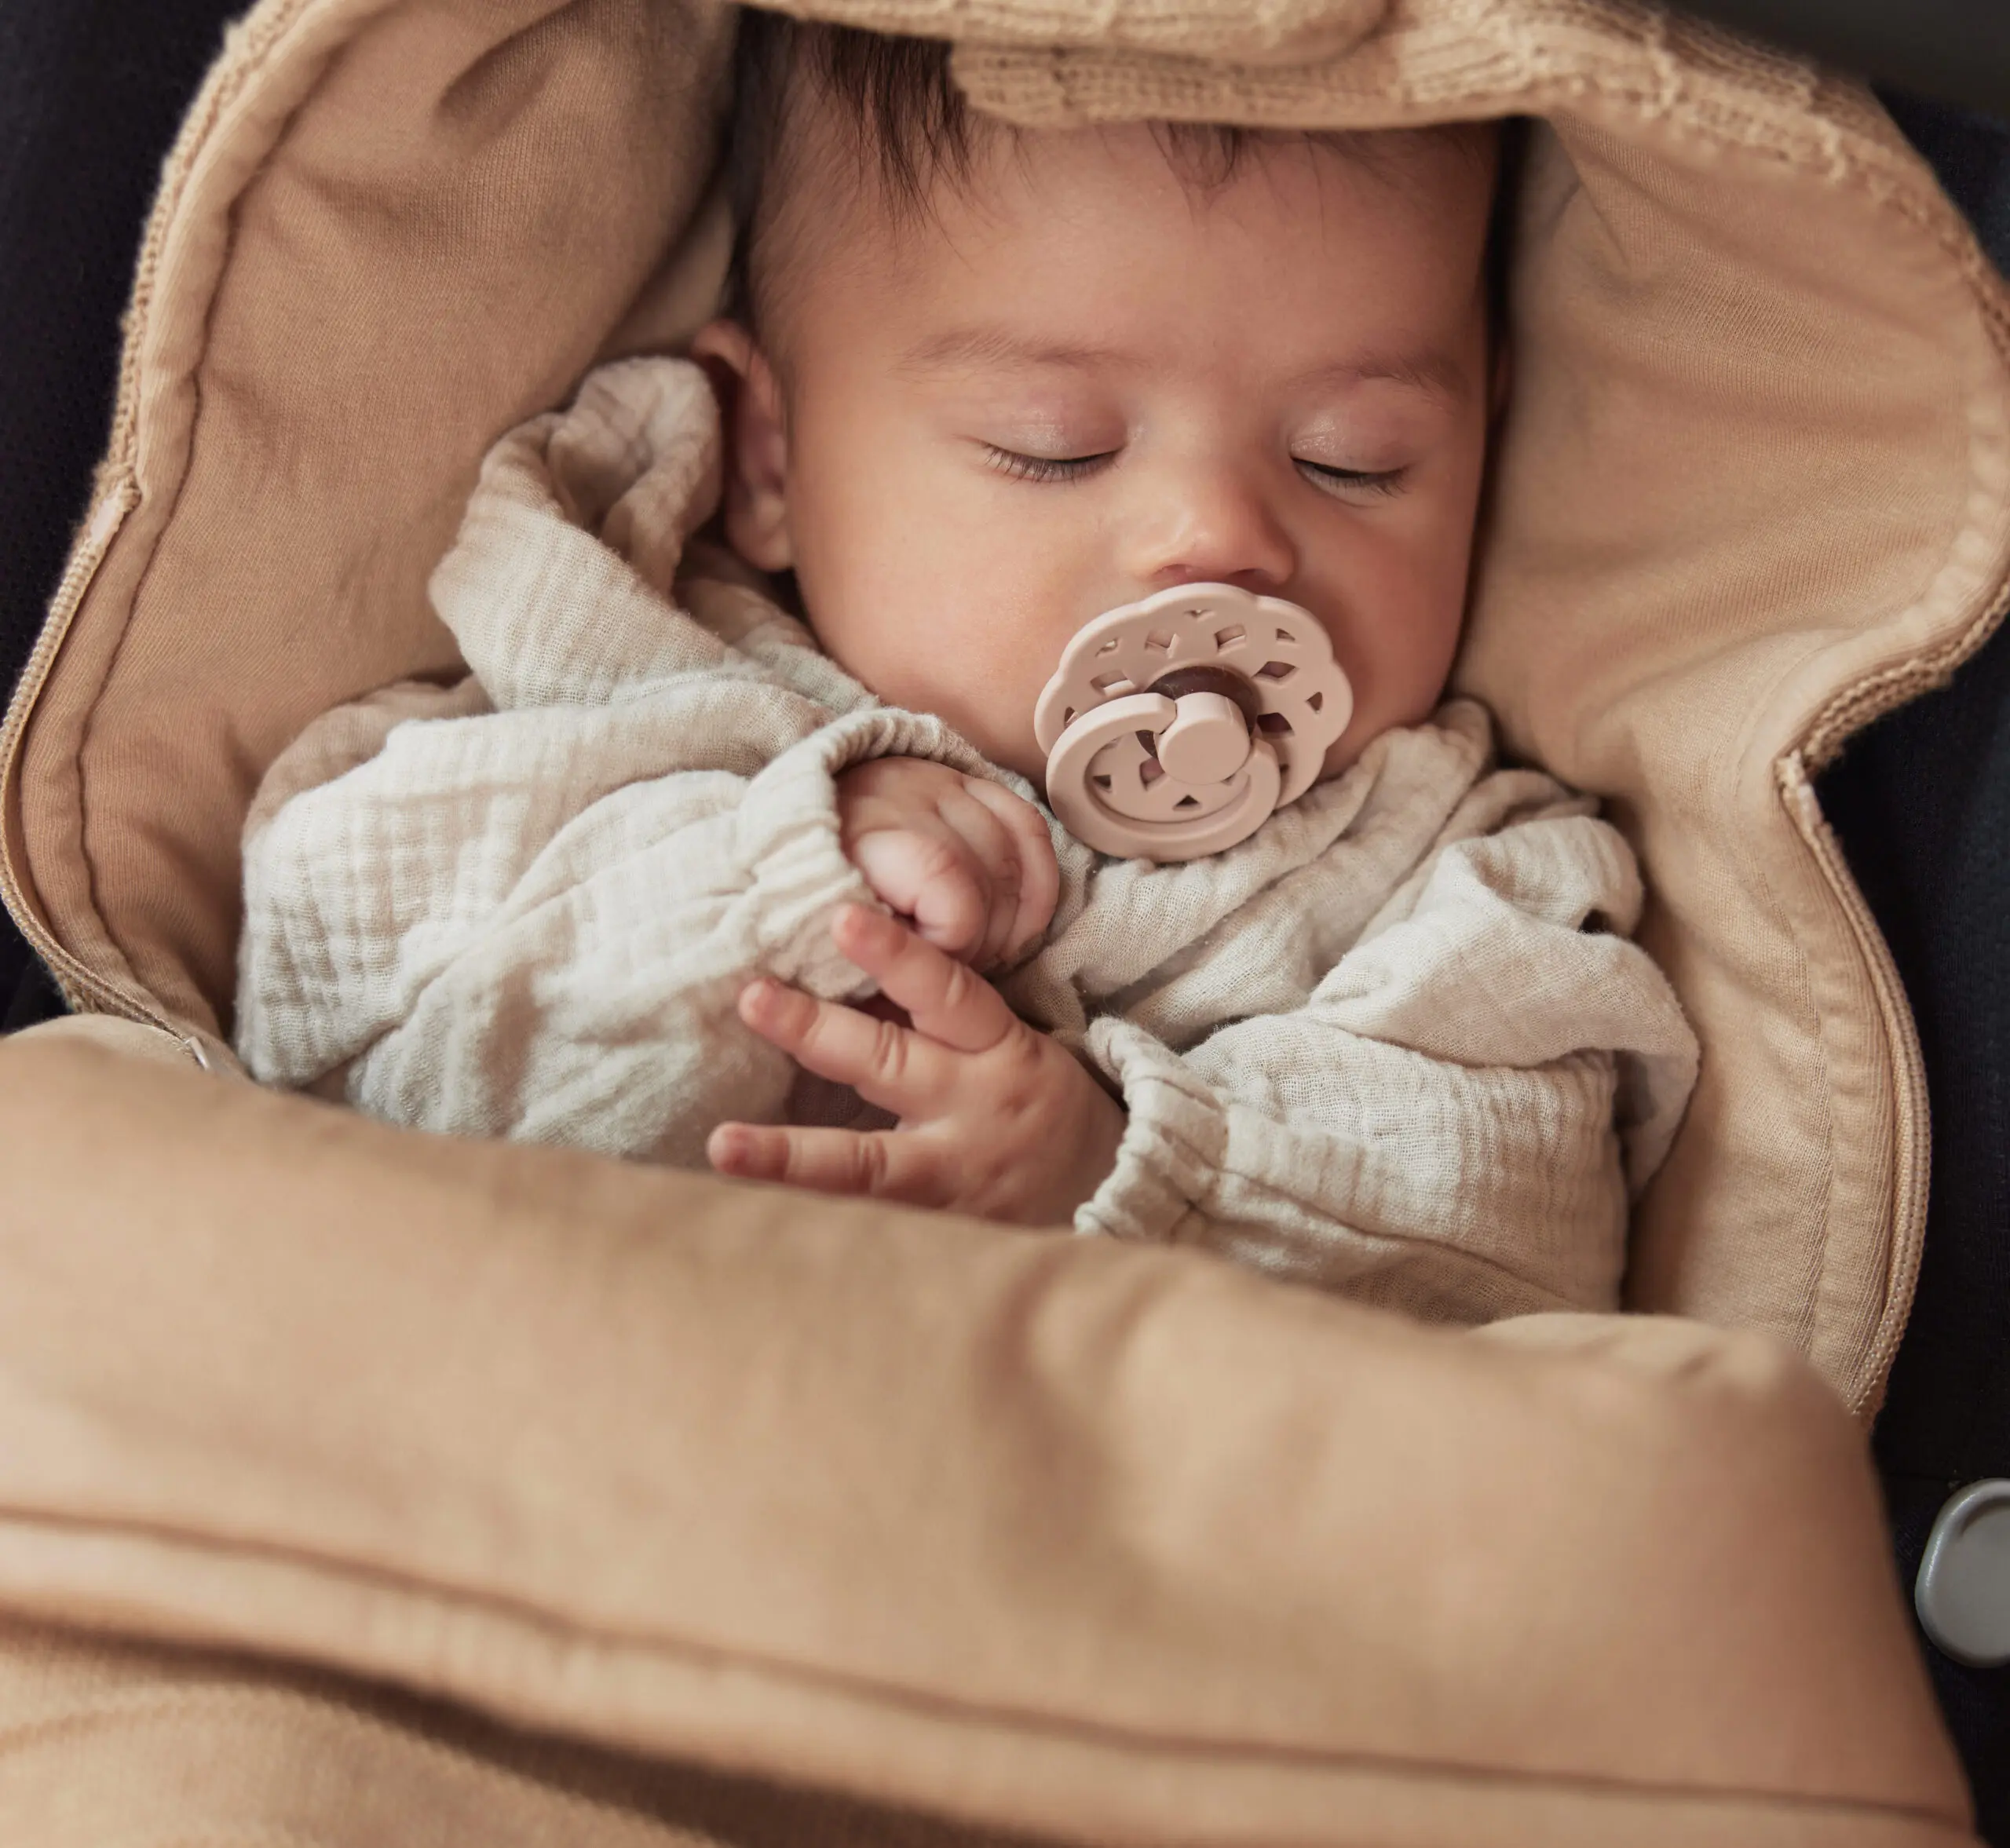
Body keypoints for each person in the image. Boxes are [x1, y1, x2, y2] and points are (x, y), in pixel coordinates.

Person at [232, 19, 1696, 1323]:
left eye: (1353, 461)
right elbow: (337, 983)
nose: (1221, 534)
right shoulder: (641, 667)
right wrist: (777, 876)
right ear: (773, 455)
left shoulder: (1448, 858)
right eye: (1054, 444)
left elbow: (1539, 1251)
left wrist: (1133, 1169)